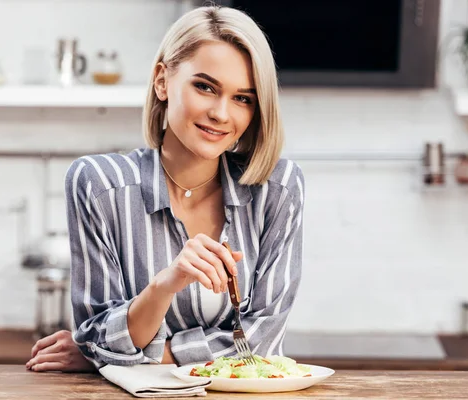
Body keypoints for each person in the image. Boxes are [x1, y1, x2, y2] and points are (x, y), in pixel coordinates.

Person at [25, 5, 304, 372]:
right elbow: (98, 335)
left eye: (243, 98)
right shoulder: (99, 184)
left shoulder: (278, 189)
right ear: (162, 81)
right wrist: (163, 286)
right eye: (205, 87)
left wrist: (136, 352)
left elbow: (261, 340)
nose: (222, 113)